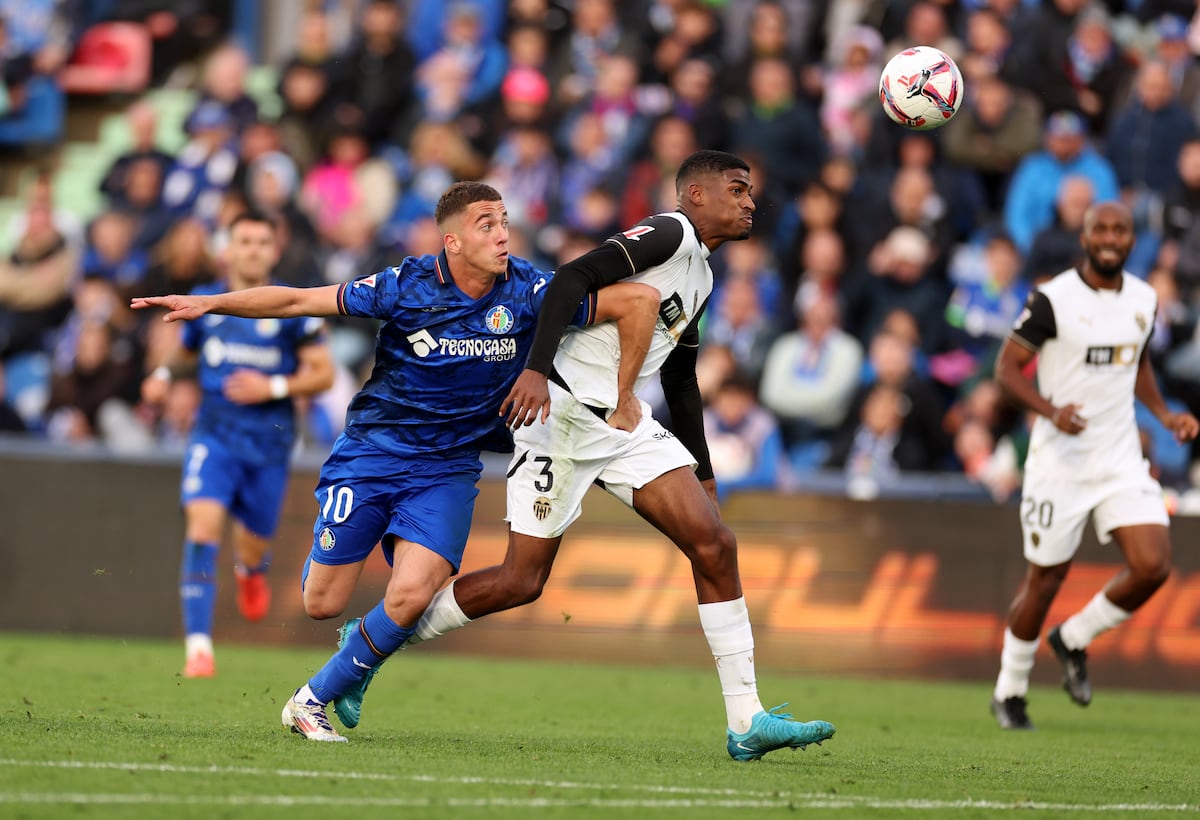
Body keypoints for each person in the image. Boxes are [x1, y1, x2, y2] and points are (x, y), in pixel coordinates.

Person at [132, 181, 659, 741]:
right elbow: (296, 300)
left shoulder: (530, 289)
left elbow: (639, 301)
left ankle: (311, 701)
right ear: (452, 241)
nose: (503, 233)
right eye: (486, 224)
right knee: (321, 603)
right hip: (372, 452)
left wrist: (625, 395)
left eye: (504, 220)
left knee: (411, 596)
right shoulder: (403, 285)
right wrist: (211, 303)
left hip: (450, 467)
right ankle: (351, 612)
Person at [369, 151, 836, 760]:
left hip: (621, 422)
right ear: (696, 195)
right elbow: (569, 278)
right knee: (521, 580)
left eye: (751, 192)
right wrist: (535, 372)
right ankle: (375, 641)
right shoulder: (669, 232)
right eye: (737, 188)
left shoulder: (703, 273)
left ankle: (746, 720)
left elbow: (683, 378)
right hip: (560, 414)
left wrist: (704, 469)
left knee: (715, 543)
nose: (751, 201)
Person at [989, 201, 1199, 730]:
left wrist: (1165, 414)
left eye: (1120, 229)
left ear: (1132, 238)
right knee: (1046, 581)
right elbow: (1006, 370)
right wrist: (1050, 411)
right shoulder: (1053, 300)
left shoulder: (1144, 298)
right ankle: (1009, 691)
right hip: (1059, 464)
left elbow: (1138, 361)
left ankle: (1073, 637)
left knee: (1153, 565)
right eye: (1101, 229)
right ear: (1084, 237)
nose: (1110, 237)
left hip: (1120, 456)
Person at [138, 211, 337, 678]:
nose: (252, 250)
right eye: (244, 241)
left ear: (274, 250)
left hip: (269, 446)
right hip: (214, 436)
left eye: (261, 242)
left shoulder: (290, 308)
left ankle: (250, 571)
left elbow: (323, 374)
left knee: (250, 547)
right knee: (203, 529)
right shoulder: (208, 305)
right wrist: (164, 376)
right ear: (228, 249)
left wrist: (270, 388)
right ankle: (199, 649)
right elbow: (186, 349)